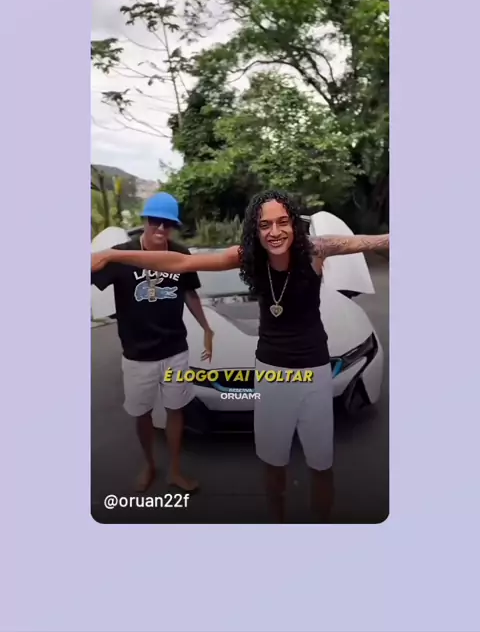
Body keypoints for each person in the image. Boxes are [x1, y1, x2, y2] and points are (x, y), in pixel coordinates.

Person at [92, 190, 389, 522]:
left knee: (321, 465)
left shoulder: (316, 249)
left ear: (293, 223)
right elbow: (180, 263)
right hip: (271, 374)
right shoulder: (248, 256)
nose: (274, 231)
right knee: (273, 464)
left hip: (316, 374)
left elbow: (366, 241)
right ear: (255, 229)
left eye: (282, 222)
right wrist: (114, 256)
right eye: (265, 225)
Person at [91, 192, 213, 494]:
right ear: (145, 220)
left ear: (174, 227)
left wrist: (207, 328)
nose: (160, 228)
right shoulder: (121, 255)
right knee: (142, 413)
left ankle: (175, 470)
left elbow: (190, 293)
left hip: (175, 350)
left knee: (175, 409)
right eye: (155, 221)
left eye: (167, 224)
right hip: (137, 354)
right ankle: (149, 464)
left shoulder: (180, 254)